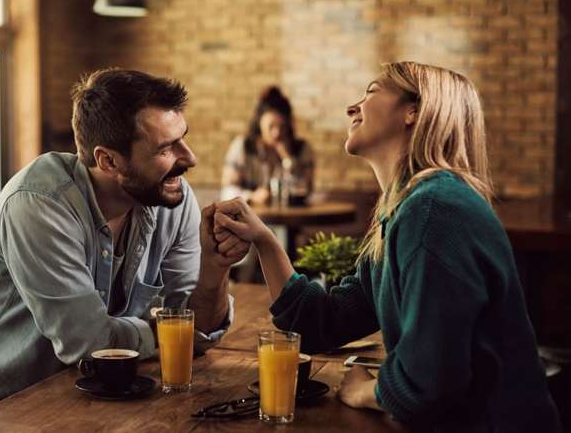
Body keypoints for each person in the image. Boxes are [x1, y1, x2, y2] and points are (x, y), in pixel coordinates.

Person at [212, 62, 561, 432]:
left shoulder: (434, 211)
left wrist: (365, 391)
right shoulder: (406, 210)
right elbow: (321, 322)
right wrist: (265, 240)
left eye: (371, 91)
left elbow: (427, 386)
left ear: (413, 111)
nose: (352, 107)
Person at [0, 69, 249, 431]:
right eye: (164, 148)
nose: (189, 158)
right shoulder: (40, 205)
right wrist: (168, 331)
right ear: (108, 161)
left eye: (182, 139)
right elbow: (90, 343)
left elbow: (193, 335)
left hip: (83, 391)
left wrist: (216, 269)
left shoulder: (171, 196)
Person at [221, 86, 314, 206]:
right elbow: (227, 191)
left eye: (282, 127)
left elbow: (306, 190)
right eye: (271, 126)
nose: (277, 133)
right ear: (259, 123)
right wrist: (251, 196)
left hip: (289, 221)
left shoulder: (302, 149)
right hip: (248, 220)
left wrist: (287, 159)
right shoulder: (243, 146)